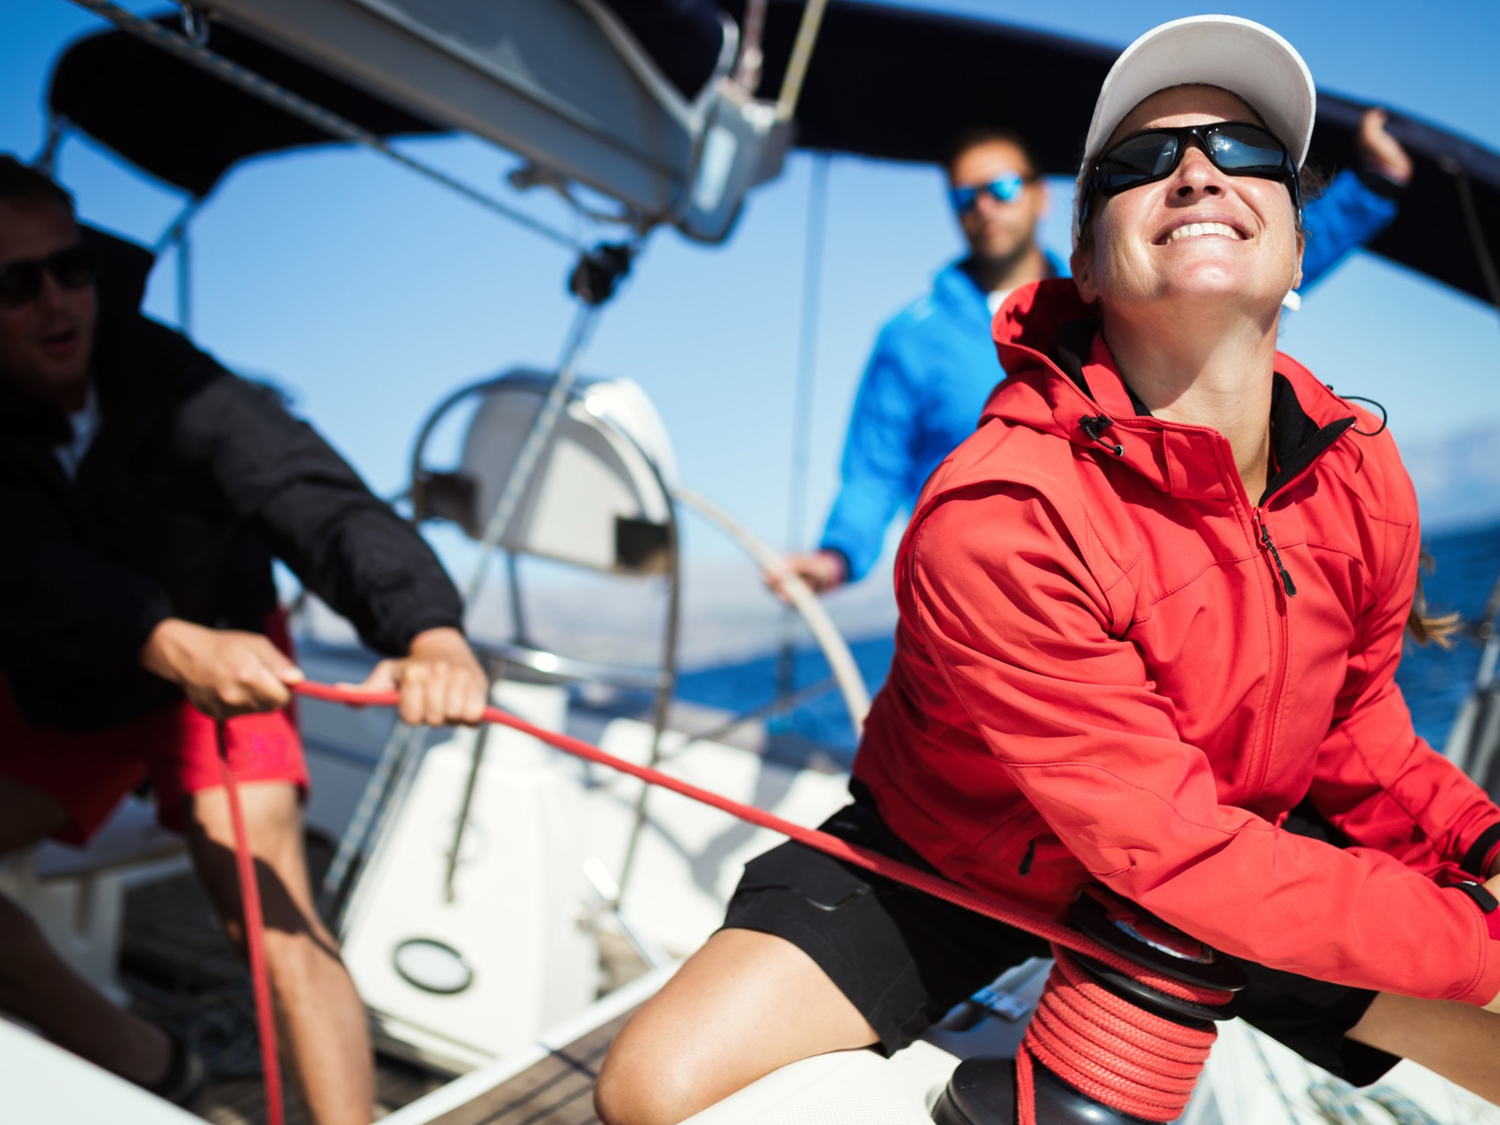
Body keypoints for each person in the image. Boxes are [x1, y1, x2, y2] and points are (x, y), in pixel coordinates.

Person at [597, 16, 1500, 1125]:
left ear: (1301, 246)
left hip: (1209, 839)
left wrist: (1483, 848)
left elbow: (1357, 735)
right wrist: (1481, 938)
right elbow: (877, 467)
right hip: (967, 847)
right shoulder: (994, 514)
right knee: (654, 1094)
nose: (1200, 173)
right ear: (1084, 260)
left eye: (1249, 152)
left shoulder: (1360, 472)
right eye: (1139, 165)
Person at [0, 156, 488, 1125]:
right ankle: (145, 1060)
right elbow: (25, 569)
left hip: (233, 663)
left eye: (73, 268)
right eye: (15, 283)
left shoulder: (173, 379)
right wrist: (161, 638)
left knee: (277, 924)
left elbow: (312, 496)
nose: (57, 300)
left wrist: (428, 629)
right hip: (77, 679)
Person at [776, 105, 1412, 597]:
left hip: (1128, 584)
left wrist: (1376, 185)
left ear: (1036, 194)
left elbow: (1240, 255)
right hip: (976, 593)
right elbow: (872, 472)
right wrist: (835, 559)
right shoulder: (908, 339)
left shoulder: (1113, 293)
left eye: (999, 187)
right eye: (963, 198)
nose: (982, 209)